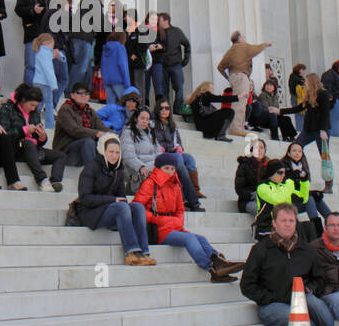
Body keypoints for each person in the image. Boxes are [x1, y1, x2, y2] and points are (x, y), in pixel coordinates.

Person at [239, 202, 339, 326]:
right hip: (273, 305)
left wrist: (310, 288)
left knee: (316, 304)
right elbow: (247, 285)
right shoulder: (261, 250)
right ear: (274, 223)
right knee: (293, 317)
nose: (287, 224)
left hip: (300, 299)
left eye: (291, 221)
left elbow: (320, 279)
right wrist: (270, 297)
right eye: (283, 221)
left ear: (296, 223)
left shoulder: (306, 249)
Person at [134, 153, 243, 282]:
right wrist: (159, 219)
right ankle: (211, 268)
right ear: (158, 168)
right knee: (190, 238)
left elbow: (180, 210)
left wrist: (177, 222)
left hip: (174, 227)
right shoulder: (150, 184)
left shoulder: (176, 185)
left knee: (201, 239)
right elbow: (137, 208)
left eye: (172, 168)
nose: (170, 171)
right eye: (166, 168)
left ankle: (219, 262)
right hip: (157, 229)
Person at [75, 133, 153, 265]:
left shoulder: (119, 169)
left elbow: (121, 196)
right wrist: (112, 200)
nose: (114, 155)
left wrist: (117, 202)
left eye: (117, 152)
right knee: (121, 206)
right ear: (103, 152)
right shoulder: (91, 168)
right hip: (91, 212)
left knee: (138, 207)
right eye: (111, 152)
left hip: (110, 209)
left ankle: (144, 252)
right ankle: (131, 252)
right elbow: (85, 198)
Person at [0, 84, 66, 192]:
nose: (33, 108)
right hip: (15, 148)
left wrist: (42, 137)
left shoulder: (34, 113)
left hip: (33, 149)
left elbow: (38, 140)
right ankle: (42, 179)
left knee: (60, 155)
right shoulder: (7, 109)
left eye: (35, 106)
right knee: (28, 143)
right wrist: (24, 131)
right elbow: (4, 134)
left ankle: (55, 181)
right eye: (31, 105)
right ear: (23, 100)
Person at [216, 30, 271, 136]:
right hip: (241, 76)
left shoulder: (230, 50)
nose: (244, 38)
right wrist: (265, 44)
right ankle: (236, 128)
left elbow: (220, 67)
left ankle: (239, 128)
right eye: (243, 36)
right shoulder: (242, 47)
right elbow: (254, 49)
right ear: (239, 38)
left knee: (239, 102)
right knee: (240, 103)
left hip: (234, 76)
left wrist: (228, 77)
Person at [152, 98, 204, 208]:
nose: (164, 110)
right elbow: (151, 141)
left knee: (189, 158)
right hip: (162, 155)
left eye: (167, 108)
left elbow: (178, 142)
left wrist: (179, 148)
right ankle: (192, 200)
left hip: (173, 152)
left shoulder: (172, 125)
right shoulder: (152, 124)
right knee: (178, 160)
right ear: (157, 110)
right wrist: (158, 147)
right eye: (161, 108)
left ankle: (195, 190)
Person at [53, 82, 110, 166]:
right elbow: (74, 130)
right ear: (72, 95)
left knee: (112, 143)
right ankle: (92, 174)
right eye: (79, 93)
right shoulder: (65, 109)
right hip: (66, 152)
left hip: (85, 151)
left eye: (86, 93)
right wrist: (96, 133)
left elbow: (102, 127)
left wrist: (114, 136)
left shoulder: (90, 111)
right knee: (89, 142)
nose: (83, 95)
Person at [282, 140, 330, 237]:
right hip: (287, 202)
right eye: (294, 151)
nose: (297, 153)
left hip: (299, 199)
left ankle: (333, 224)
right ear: (288, 153)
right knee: (309, 199)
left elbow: (304, 190)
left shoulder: (303, 166)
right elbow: (287, 190)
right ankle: (318, 232)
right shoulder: (282, 167)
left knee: (316, 198)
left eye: (299, 151)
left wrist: (313, 193)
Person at [15, 0, 53, 86]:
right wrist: (32, 10)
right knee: (31, 65)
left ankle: (39, 95)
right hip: (32, 33)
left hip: (47, 36)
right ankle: (27, 93)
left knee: (44, 67)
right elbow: (18, 10)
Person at [282, 71, 331, 163]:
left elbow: (325, 113)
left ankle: (329, 177)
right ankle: (299, 167)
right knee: (296, 146)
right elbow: (298, 108)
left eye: (306, 81)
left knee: (324, 156)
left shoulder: (323, 94)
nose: (305, 83)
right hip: (309, 129)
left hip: (320, 129)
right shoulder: (309, 96)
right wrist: (280, 111)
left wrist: (323, 130)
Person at [253, 159, 303, 240]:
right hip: (267, 225)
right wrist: (290, 183)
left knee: (305, 227)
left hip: (282, 222)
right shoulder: (262, 187)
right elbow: (278, 200)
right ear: (271, 173)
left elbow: (303, 197)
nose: (283, 175)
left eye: (284, 172)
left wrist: (304, 181)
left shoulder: (282, 186)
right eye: (280, 172)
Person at [156, 11, 191, 114]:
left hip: (175, 64)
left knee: (179, 89)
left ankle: (177, 111)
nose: (158, 22)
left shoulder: (177, 31)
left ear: (166, 20)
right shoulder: (158, 33)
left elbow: (187, 45)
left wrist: (185, 59)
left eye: (160, 20)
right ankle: (166, 111)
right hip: (162, 65)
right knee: (164, 91)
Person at [30, 33, 59, 130]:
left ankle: (33, 121)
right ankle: (50, 125)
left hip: (37, 81)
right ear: (48, 43)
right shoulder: (46, 53)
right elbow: (48, 70)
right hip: (45, 83)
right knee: (49, 104)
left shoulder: (40, 51)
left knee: (38, 104)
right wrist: (53, 84)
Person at [235, 136, 268, 214]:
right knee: (262, 210)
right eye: (256, 148)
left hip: (267, 198)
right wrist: (253, 195)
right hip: (248, 200)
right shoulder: (244, 165)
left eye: (261, 148)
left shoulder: (270, 165)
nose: (259, 150)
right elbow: (239, 188)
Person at [100, 30, 129, 105]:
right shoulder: (120, 47)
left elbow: (102, 64)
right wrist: (127, 83)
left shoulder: (105, 48)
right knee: (125, 103)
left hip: (107, 80)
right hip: (119, 80)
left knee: (110, 104)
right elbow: (122, 65)